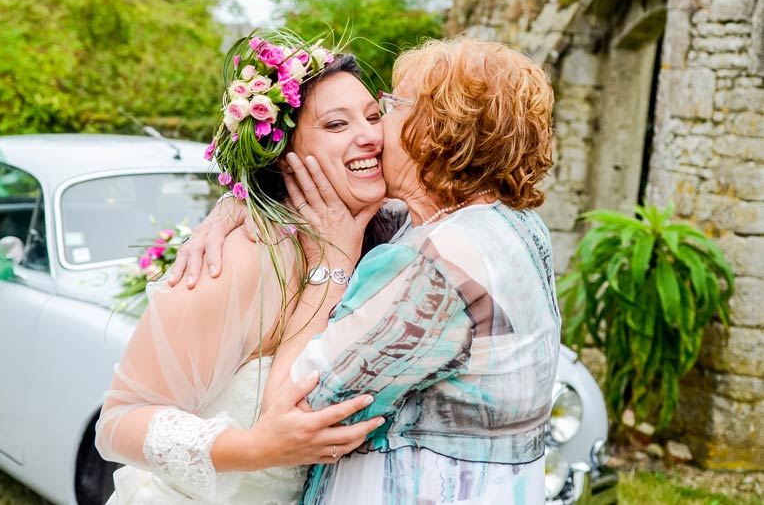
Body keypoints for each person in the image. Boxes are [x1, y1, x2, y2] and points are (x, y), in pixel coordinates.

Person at [172, 36, 560, 504]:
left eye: (389, 108)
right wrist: (239, 204)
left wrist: (331, 265)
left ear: (434, 130)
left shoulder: (431, 264)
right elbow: (354, 210)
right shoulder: (514, 225)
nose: (376, 128)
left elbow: (291, 413)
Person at [95, 29, 389, 504]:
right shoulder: (239, 259)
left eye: (375, 117)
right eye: (337, 125)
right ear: (283, 154)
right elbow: (117, 422)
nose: (371, 136)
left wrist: (235, 202)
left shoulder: (389, 230)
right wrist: (252, 448)